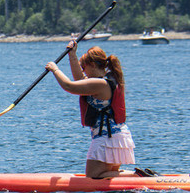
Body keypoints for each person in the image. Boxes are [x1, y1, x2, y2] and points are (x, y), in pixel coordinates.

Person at [46, 40, 136, 179]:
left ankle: (137, 176)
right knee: (104, 176)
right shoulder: (105, 80)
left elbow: (70, 86)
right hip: (116, 136)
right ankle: (137, 176)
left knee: (93, 175)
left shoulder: (100, 83)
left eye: (84, 67)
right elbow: (80, 80)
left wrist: (55, 69)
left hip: (107, 139)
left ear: (93, 65)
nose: (83, 71)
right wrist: (72, 55)